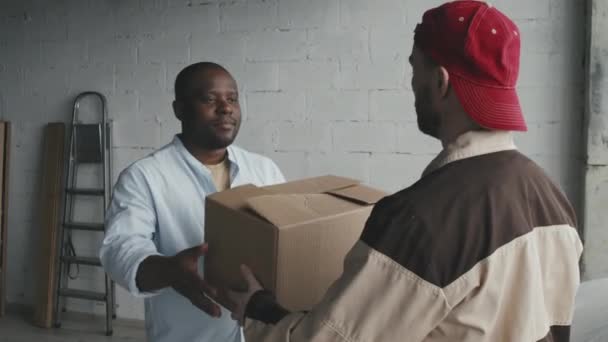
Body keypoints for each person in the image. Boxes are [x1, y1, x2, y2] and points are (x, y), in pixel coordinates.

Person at [226, 2, 584, 341]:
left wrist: (257, 309)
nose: (411, 84)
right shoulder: (551, 197)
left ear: (440, 81)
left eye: (415, 68)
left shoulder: (420, 220)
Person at [100, 62, 285, 342]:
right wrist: (169, 271)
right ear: (180, 110)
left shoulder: (264, 169)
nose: (225, 108)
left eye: (232, 98)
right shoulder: (144, 177)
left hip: (265, 333)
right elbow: (120, 249)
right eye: (209, 99)